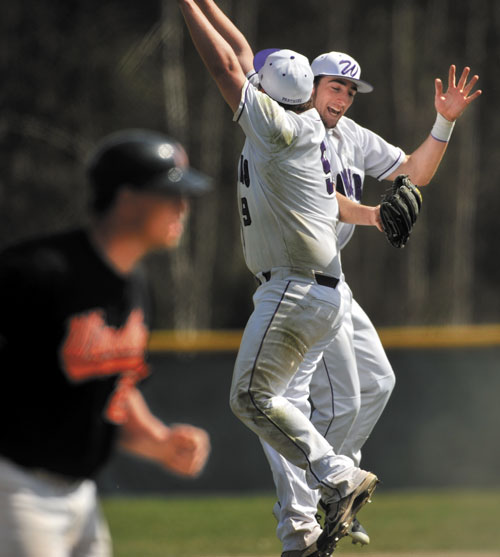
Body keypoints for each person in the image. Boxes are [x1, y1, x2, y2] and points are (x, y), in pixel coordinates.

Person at [178, 2, 386, 555]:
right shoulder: (308, 124)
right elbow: (242, 54)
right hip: (319, 290)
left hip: (292, 286)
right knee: (281, 401)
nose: (250, 78)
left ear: (266, 92)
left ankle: (337, 477)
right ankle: (299, 532)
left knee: (251, 396)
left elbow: (226, 65)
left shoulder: (276, 128)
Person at [254, 51, 482, 555]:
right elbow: (322, 199)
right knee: (297, 402)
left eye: (351, 91)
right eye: (335, 87)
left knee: (376, 382)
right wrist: (376, 216)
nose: (343, 98)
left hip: (331, 277)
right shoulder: (290, 130)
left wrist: (443, 122)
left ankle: (336, 492)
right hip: (293, 279)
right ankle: (308, 508)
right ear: (310, 86)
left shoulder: (350, 136)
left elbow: (413, 172)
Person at [0, 128, 212, 556]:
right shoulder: (39, 271)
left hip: (79, 494)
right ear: (127, 198)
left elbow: (117, 382)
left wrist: (158, 440)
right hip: (15, 485)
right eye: (170, 195)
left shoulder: (132, 283)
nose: (182, 208)